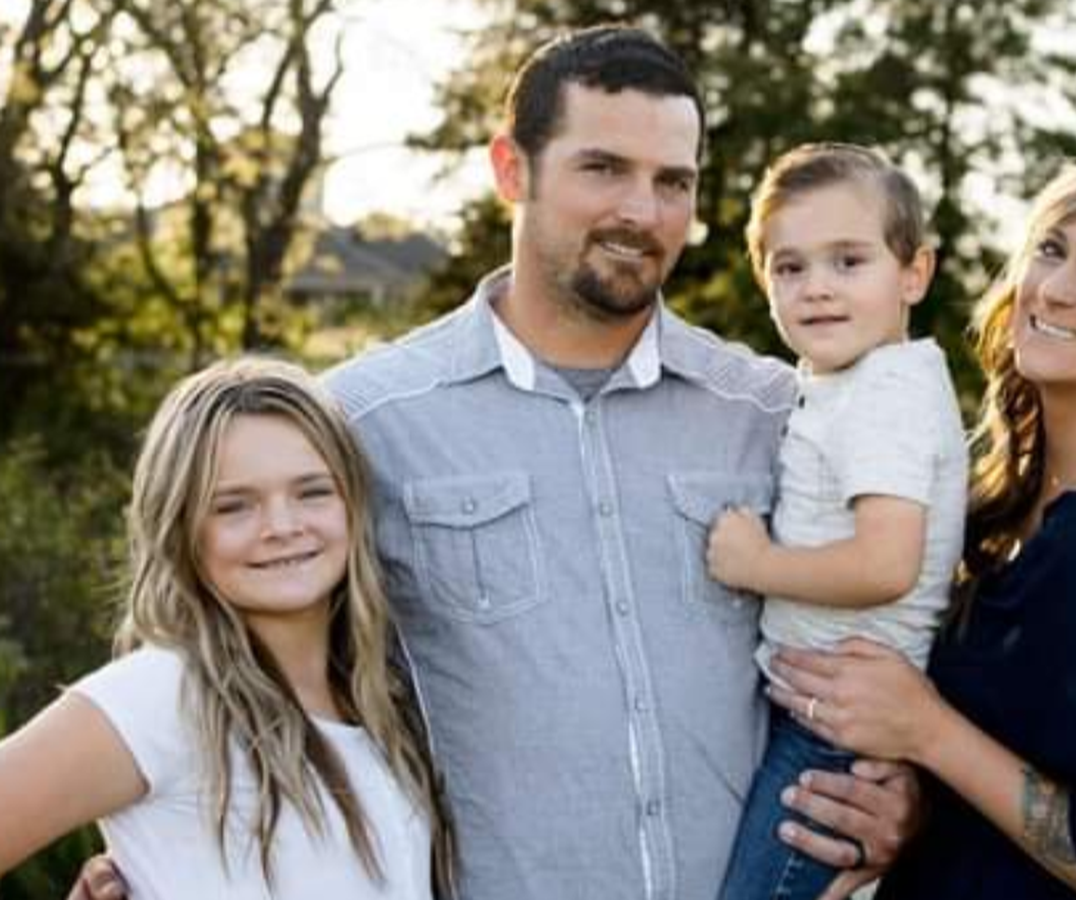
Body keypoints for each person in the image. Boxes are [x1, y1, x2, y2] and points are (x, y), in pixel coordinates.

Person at [69, 24, 920, 900]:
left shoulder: (777, 410)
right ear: (512, 169)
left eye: (674, 181)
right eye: (603, 168)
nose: (643, 211)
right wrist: (160, 859)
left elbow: (911, 622)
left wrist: (910, 795)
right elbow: (230, 654)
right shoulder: (362, 419)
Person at [774, 154, 1076, 899]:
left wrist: (928, 729)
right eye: (1051, 249)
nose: (1056, 288)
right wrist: (910, 805)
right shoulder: (1010, 506)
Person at [0, 358, 455, 898]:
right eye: (234, 506)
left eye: (312, 492)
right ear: (181, 528)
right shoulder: (163, 695)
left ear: (353, 504)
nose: (282, 526)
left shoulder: (382, 701)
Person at [707, 143, 967, 900]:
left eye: (848, 261)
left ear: (914, 273)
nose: (817, 287)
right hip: (820, 713)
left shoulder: (885, 393)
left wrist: (754, 564)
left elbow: (886, 564)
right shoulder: (854, 383)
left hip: (837, 730)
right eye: (790, 267)